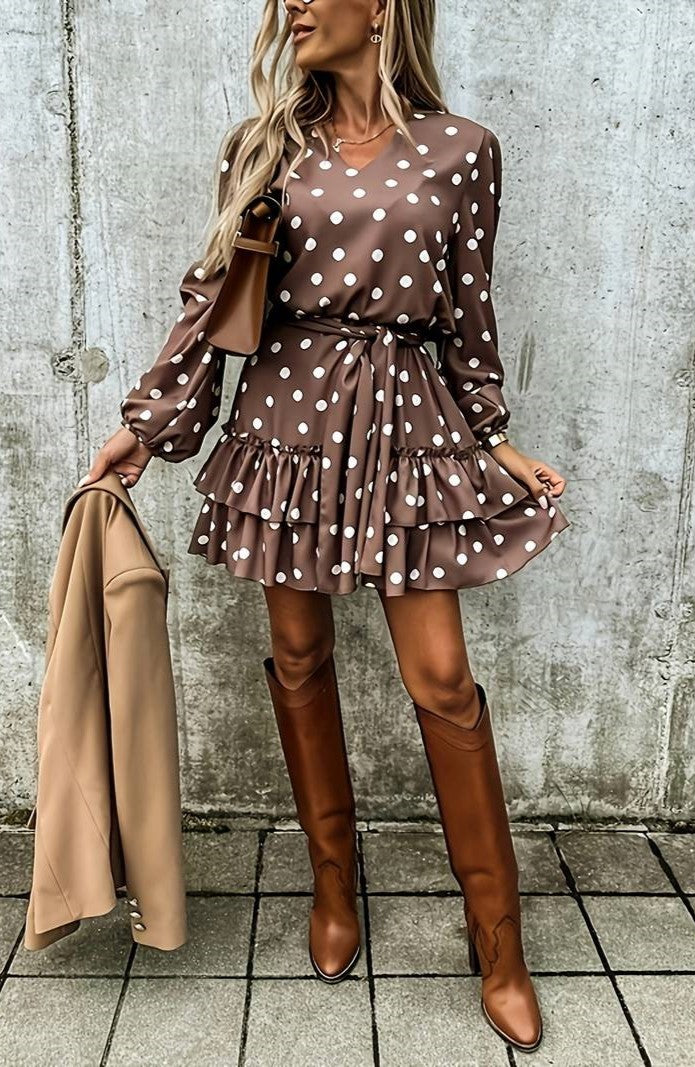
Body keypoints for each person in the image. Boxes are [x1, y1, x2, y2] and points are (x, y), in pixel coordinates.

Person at [82, 0, 571, 1052]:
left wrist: (491, 436)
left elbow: (468, 309)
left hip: (404, 418)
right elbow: (213, 300)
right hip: (287, 419)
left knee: (439, 675)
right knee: (298, 658)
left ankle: (499, 941)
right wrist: (147, 426)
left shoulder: (461, 150)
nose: (292, 9)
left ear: (384, 7)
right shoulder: (267, 149)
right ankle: (333, 886)